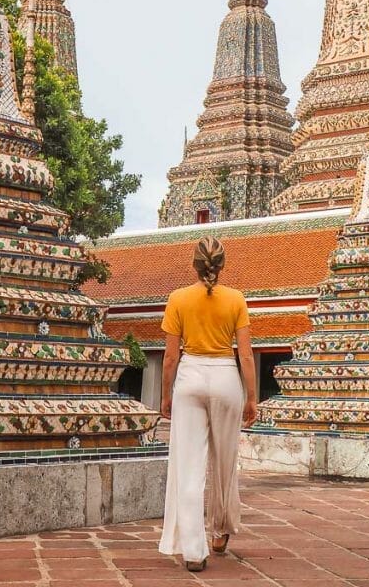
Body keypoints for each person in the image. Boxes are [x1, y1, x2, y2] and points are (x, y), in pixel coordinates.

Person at [158, 236, 257, 573]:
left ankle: (193, 550)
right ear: (222, 266)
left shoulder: (178, 299)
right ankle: (221, 531)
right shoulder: (236, 299)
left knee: (189, 467)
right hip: (227, 378)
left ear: (195, 265)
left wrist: (166, 395)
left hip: (191, 376)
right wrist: (253, 397)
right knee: (224, 462)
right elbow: (245, 354)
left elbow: (170, 358)